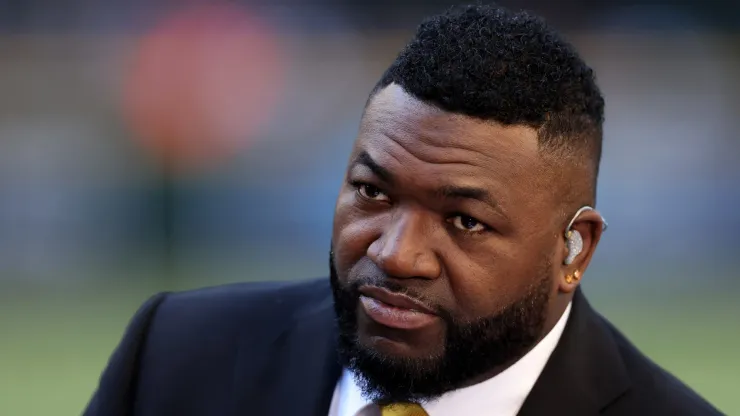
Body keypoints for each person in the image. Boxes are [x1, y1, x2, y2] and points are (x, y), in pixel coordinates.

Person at [83, 4, 722, 416]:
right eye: (373, 192)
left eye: (465, 222)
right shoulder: (174, 360)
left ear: (573, 248)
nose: (395, 253)